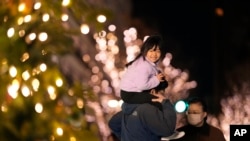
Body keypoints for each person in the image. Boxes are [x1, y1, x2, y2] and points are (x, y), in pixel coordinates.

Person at [108, 80, 178, 141]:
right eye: (162, 93)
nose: (164, 96)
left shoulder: (130, 109)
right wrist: (165, 102)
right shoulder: (147, 109)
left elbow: (113, 123)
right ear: (153, 91)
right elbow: (167, 129)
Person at [120, 35, 167, 107]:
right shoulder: (143, 66)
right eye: (151, 51)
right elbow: (142, 85)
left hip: (132, 91)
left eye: (158, 51)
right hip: (130, 94)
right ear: (145, 50)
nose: (154, 54)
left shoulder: (147, 62)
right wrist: (156, 79)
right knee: (158, 100)